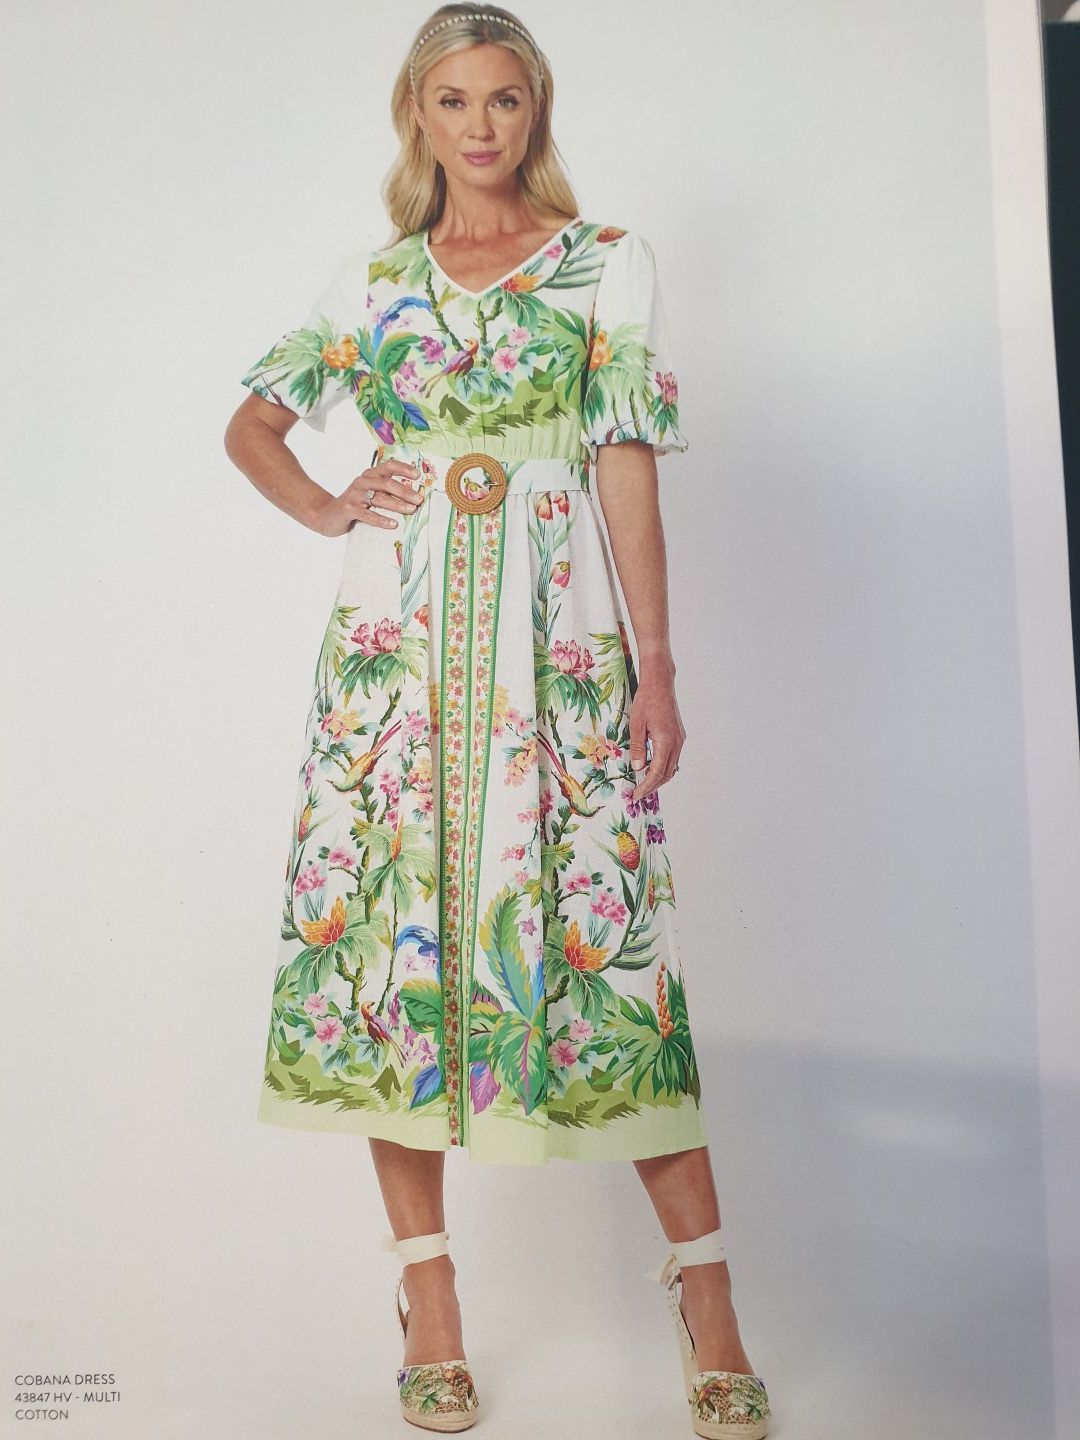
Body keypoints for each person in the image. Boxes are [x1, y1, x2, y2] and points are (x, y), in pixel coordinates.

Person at [223, 6, 771, 1436]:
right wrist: (336, 502)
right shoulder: (375, 281)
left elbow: (628, 466)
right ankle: (432, 1295)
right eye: (453, 99)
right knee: (399, 949)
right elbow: (254, 426)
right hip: (393, 656)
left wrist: (656, 666)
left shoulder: (603, 265)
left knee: (616, 965)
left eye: (506, 98)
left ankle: (706, 1295)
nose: (480, 124)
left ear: (537, 114)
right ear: (416, 113)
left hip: (559, 651)